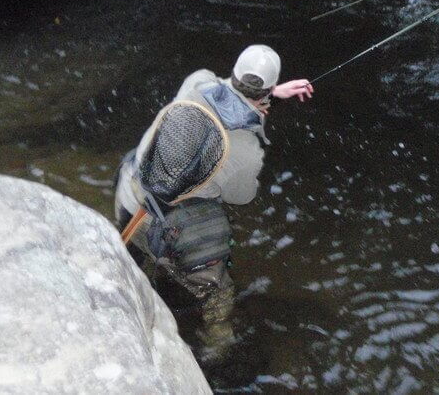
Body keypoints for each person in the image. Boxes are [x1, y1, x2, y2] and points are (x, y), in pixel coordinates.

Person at [114, 44, 313, 356]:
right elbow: (241, 196)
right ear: (268, 91)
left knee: (127, 264)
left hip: (128, 193)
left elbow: (223, 89)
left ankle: (133, 276)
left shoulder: (197, 80)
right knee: (218, 292)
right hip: (163, 225)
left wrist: (269, 93)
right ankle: (216, 347)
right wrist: (263, 107)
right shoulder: (247, 148)